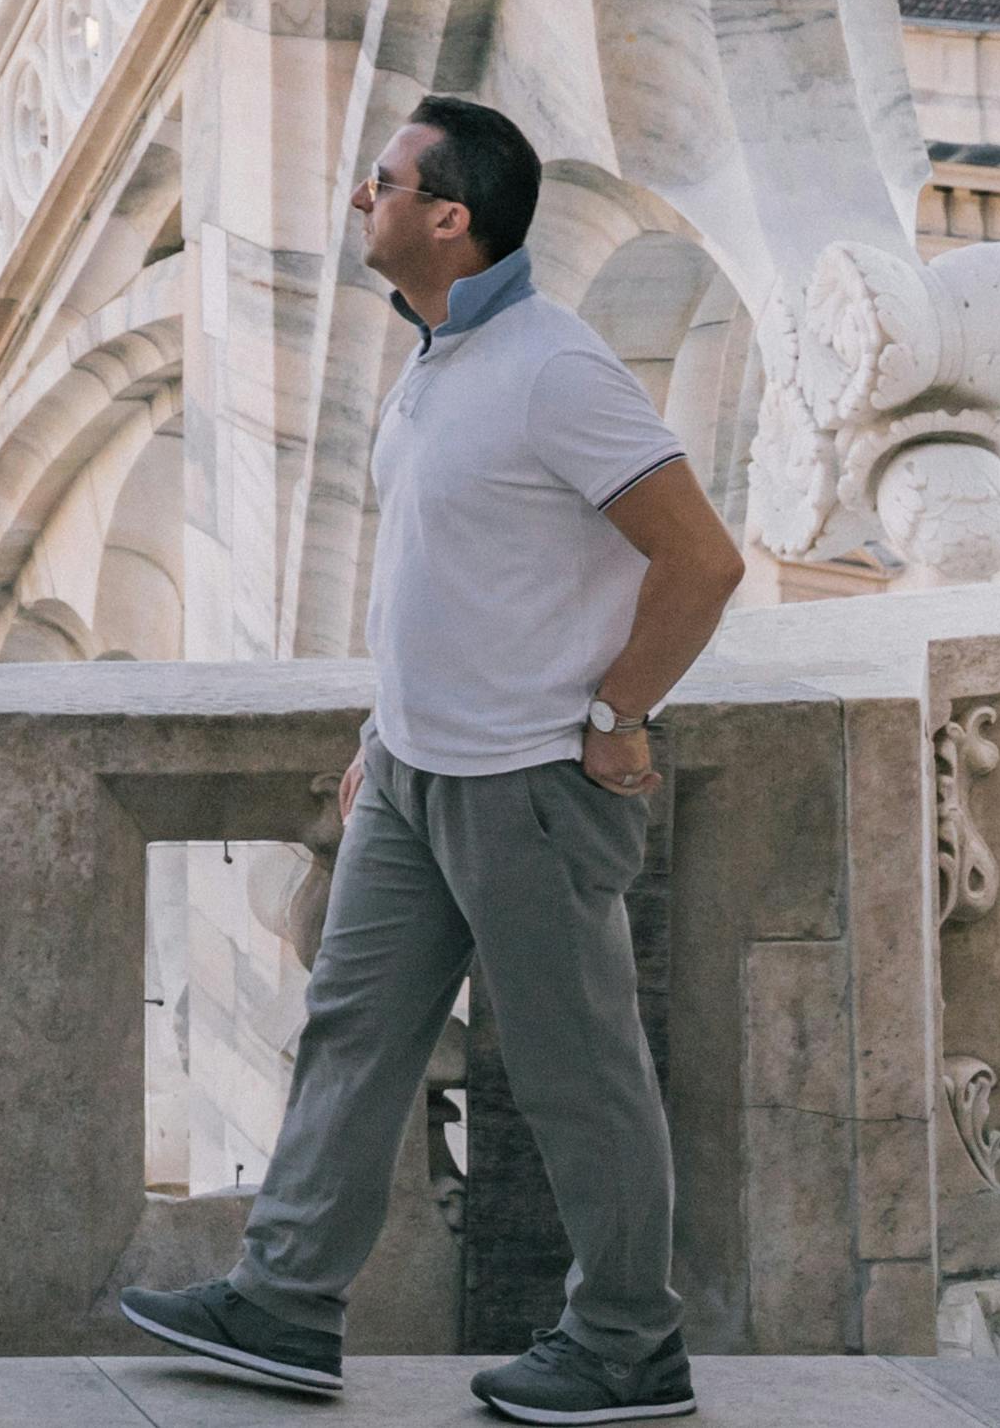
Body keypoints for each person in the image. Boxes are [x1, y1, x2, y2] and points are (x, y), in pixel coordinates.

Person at [118, 97, 745, 1428]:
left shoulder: (555, 366)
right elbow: (438, 574)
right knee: (351, 1031)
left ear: (449, 217)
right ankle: (285, 1298)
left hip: (528, 780)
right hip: (412, 773)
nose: (362, 195)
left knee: (579, 1070)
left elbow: (703, 558)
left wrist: (620, 710)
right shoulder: (440, 359)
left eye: (386, 179)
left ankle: (632, 1342)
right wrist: (376, 736)